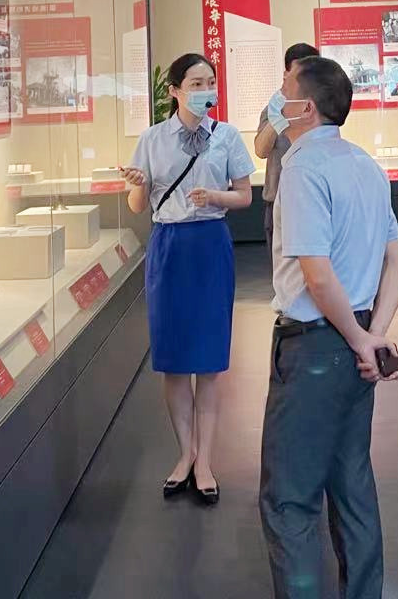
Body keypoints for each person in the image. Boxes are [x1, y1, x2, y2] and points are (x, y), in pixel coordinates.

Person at [260, 55, 398, 599]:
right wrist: (373, 335)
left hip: (314, 348)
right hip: (356, 341)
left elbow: (317, 274)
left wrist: (358, 337)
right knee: (353, 486)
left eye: (284, 89)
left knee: (290, 497)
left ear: (305, 107)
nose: (277, 99)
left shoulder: (302, 169)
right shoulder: (363, 164)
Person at [124, 53, 253, 506]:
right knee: (175, 360)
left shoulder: (227, 136)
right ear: (174, 90)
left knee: (209, 362)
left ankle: (205, 462)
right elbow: (137, 205)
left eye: (210, 82)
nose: (205, 90)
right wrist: (139, 182)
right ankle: (185, 453)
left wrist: (215, 196)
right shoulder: (153, 138)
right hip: (169, 247)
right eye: (196, 83)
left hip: (210, 246)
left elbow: (244, 195)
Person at [254, 42, 321, 247]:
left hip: (314, 199)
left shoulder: (321, 108)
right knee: (281, 265)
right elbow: (261, 150)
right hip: (278, 200)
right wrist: (278, 117)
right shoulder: (273, 108)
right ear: (286, 74)